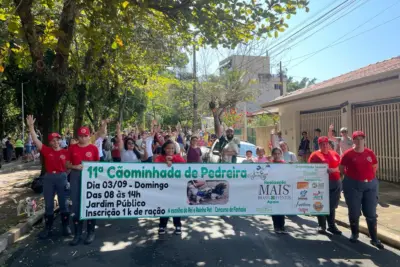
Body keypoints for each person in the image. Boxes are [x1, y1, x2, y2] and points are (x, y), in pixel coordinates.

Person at [26, 115, 71, 239]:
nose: (56, 142)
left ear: (60, 140)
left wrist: (66, 174)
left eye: (57, 140)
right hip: (49, 178)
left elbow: (70, 164)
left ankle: (66, 226)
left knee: (63, 203)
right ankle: (48, 228)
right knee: (49, 204)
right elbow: (35, 140)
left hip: (61, 177)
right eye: (53, 140)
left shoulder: (66, 152)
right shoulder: (46, 150)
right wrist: (31, 127)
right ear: (50, 142)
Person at [339, 131, 384, 249]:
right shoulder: (348, 154)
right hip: (353, 186)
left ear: (364, 140)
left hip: (370, 186)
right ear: (353, 140)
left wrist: (368, 179)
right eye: (356, 139)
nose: (359, 141)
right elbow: (342, 169)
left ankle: (374, 238)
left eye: (361, 139)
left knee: (371, 213)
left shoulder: (370, 153)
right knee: (354, 212)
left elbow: (375, 166)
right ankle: (355, 234)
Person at [67, 126, 100, 246]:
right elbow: (67, 164)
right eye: (81, 136)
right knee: (76, 205)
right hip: (76, 176)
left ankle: (91, 232)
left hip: (90, 177)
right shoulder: (72, 148)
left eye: (86, 136)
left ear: (89, 136)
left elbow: (98, 164)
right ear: (78, 137)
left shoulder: (93, 148)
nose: (83, 138)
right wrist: (74, 167)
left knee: (90, 203)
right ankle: (77, 234)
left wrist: (91, 168)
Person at [308, 136, 342, 235]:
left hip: (335, 182)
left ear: (329, 144)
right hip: (321, 184)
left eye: (326, 143)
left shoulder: (334, 154)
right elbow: (310, 169)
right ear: (319, 145)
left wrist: (335, 170)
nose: (325, 145)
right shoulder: (315, 155)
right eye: (322, 144)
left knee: (332, 205)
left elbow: (340, 167)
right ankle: (322, 225)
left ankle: (332, 226)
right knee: (321, 204)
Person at [155, 140, 186, 235]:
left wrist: (173, 160)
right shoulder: (159, 158)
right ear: (164, 148)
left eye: (172, 148)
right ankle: (162, 225)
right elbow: (155, 166)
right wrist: (165, 161)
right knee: (164, 205)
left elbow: (184, 166)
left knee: (176, 205)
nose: (170, 150)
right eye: (168, 148)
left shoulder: (178, 157)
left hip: (175, 187)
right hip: (164, 187)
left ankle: (177, 225)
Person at [270, 147, 287, 234]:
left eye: (278, 153)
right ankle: (276, 226)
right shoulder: (269, 164)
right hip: (272, 190)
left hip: (282, 189)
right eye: (275, 154)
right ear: (272, 155)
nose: (277, 155)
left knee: (282, 208)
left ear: (281, 154)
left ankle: (282, 226)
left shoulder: (285, 164)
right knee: (274, 208)